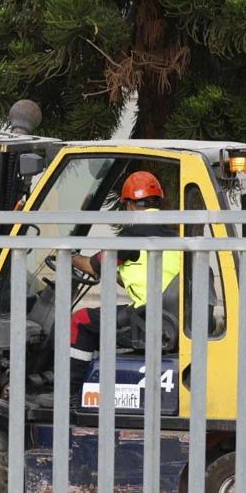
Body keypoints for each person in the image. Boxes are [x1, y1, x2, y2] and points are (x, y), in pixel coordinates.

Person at [68, 170, 180, 396]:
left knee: (80, 320)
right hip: (170, 316)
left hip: (148, 318)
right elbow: (141, 273)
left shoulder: (134, 234)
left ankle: (69, 391)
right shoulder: (173, 233)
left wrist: (68, 257)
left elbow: (92, 265)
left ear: (129, 204)